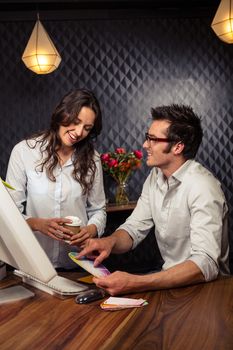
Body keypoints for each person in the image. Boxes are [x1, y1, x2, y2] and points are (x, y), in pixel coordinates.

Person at [76, 104, 230, 295]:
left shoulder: (203, 187)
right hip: (170, 284)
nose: (145, 145)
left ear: (177, 146)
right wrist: (109, 242)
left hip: (209, 291)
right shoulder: (155, 177)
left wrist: (136, 282)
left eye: (153, 139)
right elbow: (134, 228)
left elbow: (205, 263)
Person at [6, 89, 106, 269]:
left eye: (87, 128)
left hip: (78, 262)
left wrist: (91, 230)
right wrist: (38, 224)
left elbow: (98, 209)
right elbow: (10, 213)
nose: (78, 132)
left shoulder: (93, 159)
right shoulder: (24, 152)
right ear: (63, 113)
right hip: (34, 264)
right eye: (75, 122)